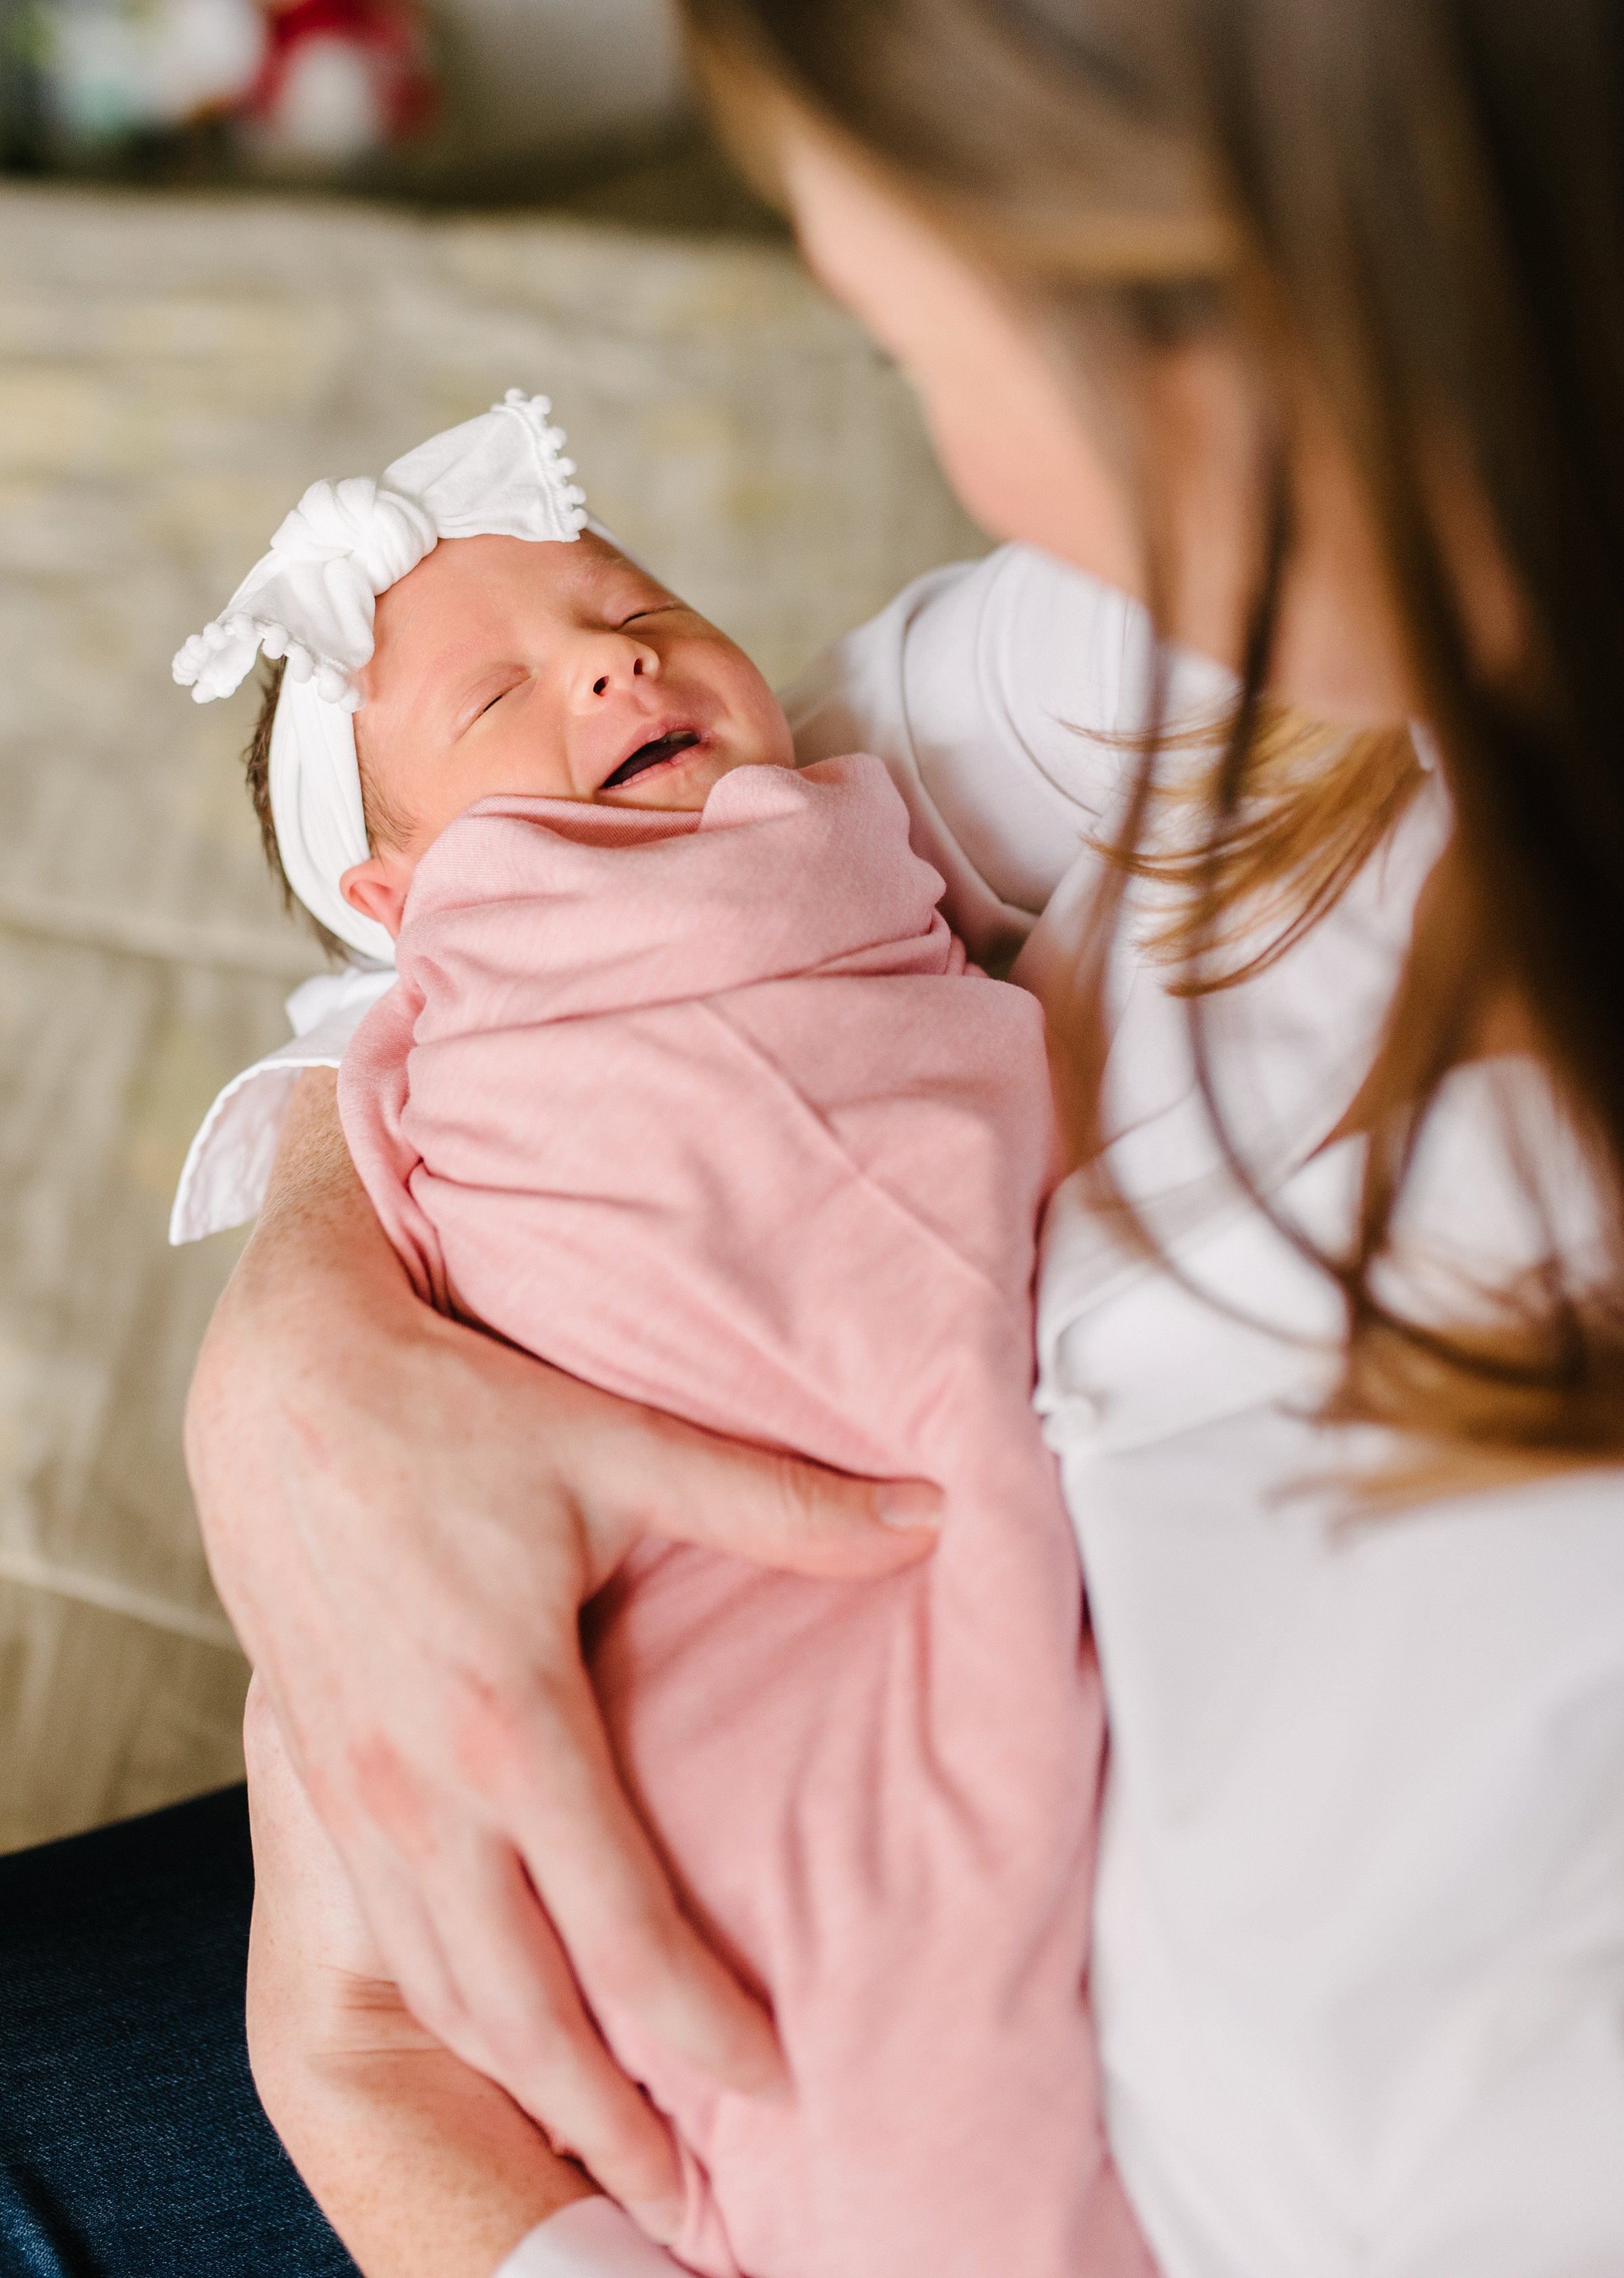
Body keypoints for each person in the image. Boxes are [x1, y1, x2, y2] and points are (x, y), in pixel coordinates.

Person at [5, 0, 1624, 2273]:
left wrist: (391, 2136)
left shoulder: (1454, 2010)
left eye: (919, 324)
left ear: (1229, 305)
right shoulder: (1224, 633)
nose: (644, 667)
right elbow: (704, 853)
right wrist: (315, 1362)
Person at [179, 394, 1143, 2277]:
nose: (613, 653)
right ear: (395, 905)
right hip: (662, 1640)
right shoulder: (461, 1028)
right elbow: (385, 1046)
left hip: (908, 1572)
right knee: (892, 2085)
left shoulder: (856, 834)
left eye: (633, 605)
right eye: (495, 700)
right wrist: (300, 1315)